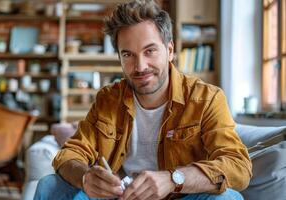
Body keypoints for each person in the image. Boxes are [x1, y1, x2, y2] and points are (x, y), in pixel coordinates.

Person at [34, 0, 252, 199]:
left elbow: (238, 166)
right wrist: (86, 177)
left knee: (228, 198)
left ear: (170, 50)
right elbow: (70, 153)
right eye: (128, 55)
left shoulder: (207, 99)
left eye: (150, 51)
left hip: (181, 195)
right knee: (48, 186)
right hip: (120, 196)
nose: (140, 67)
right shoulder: (108, 98)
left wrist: (173, 179)